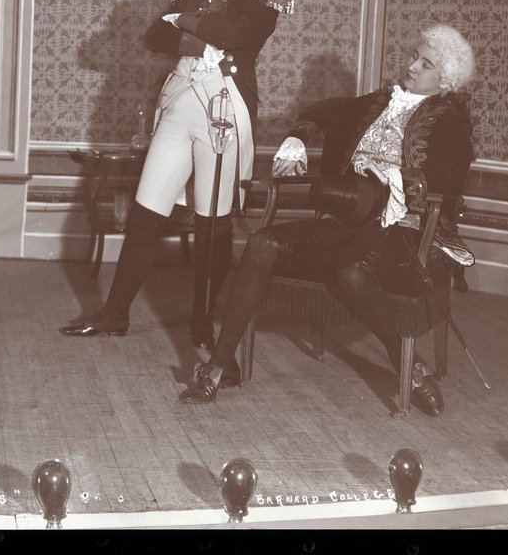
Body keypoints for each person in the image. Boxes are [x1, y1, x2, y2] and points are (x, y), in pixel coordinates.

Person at [178, 23, 477, 416]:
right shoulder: (379, 101)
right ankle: (219, 366)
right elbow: (321, 112)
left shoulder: (451, 119)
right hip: (348, 216)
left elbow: (452, 179)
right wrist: (297, 138)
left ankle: (409, 364)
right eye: (413, 56)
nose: (412, 66)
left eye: (426, 64)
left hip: (400, 228)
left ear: (445, 80)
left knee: (350, 273)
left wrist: (398, 178)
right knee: (261, 242)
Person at [62, 0, 293, 348]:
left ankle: (203, 321)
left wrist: (183, 20)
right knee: (145, 213)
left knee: (212, 222)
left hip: (223, 110)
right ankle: (115, 314)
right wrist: (197, 34)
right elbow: (155, 36)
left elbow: (235, 36)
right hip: (178, 103)